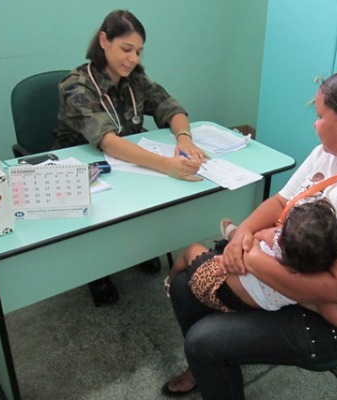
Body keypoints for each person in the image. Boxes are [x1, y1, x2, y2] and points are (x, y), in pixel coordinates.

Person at [163, 66, 337, 398]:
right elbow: (281, 201)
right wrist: (245, 232)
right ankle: (207, 367)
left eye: (320, 116)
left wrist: (252, 257)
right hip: (296, 271)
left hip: (335, 318)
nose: (314, 124)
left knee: (204, 341)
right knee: (182, 288)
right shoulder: (332, 153)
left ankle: (207, 358)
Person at [53, 10, 207, 306]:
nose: (133, 59)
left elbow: (171, 107)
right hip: (85, 168)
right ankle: (96, 270)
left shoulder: (136, 79)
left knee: (151, 195)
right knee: (101, 210)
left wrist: (183, 138)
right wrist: (167, 165)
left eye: (138, 51)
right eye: (126, 49)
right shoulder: (75, 85)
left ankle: (137, 247)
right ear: (103, 41)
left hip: (128, 165)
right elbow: (108, 141)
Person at [165, 199, 337, 324]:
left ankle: (170, 280)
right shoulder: (317, 289)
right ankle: (233, 234)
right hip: (246, 305)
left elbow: (257, 236)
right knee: (246, 245)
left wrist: (247, 239)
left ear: (282, 238)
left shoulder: (274, 239)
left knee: (192, 250)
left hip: (215, 284)